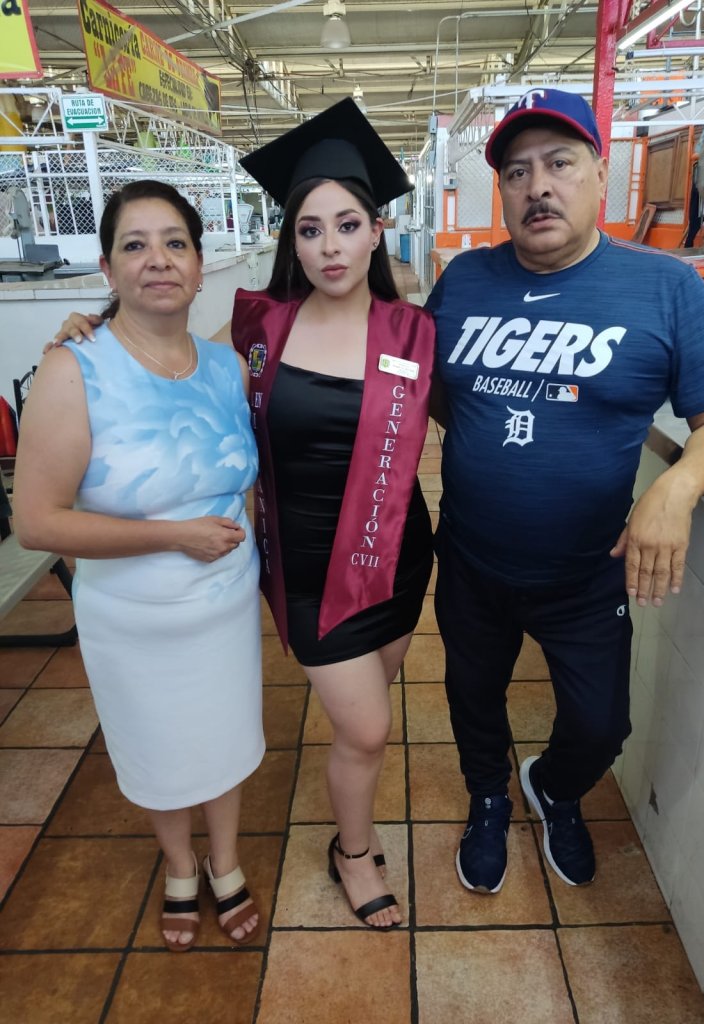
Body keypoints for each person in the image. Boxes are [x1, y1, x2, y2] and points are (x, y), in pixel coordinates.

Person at [50, 100, 435, 930]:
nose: (328, 246)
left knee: (365, 720)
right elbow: (173, 361)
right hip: (306, 569)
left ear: (377, 231)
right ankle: (354, 854)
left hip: (395, 556)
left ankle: (330, 838)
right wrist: (93, 328)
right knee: (367, 730)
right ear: (290, 241)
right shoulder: (261, 326)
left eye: (346, 225)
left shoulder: (415, 330)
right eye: (309, 229)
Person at [425, 88, 704, 894]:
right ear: (500, 190)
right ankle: (487, 797)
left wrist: (676, 486)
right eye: (516, 172)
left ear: (599, 175)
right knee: (474, 696)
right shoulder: (464, 281)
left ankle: (557, 787)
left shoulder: (663, 287)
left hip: (584, 576)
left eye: (559, 163)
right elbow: (436, 392)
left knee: (601, 723)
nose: (537, 186)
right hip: (472, 558)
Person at [15, 180, 264, 951]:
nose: (157, 260)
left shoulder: (227, 368)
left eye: (175, 243)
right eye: (135, 245)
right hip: (134, 618)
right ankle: (179, 862)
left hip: (224, 609)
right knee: (157, 750)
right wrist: (173, 537)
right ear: (108, 267)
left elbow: (238, 483)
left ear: (198, 264)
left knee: (224, 741)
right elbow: (35, 522)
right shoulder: (74, 369)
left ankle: (224, 860)